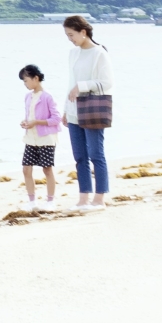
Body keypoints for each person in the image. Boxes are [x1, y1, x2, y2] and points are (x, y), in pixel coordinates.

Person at [62, 14, 113, 208]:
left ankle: (99, 198)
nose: (70, 39)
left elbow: (108, 83)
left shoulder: (99, 53)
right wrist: (65, 110)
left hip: (92, 110)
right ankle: (84, 197)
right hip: (74, 111)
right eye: (67, 36)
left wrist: (82, 86)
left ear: (83, 32)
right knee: (80, 157)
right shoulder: (73, 53)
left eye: (71, 34)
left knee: (96, 154)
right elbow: (69, 84)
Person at [17, 64, 60, 209]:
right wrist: (26, 122)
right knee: (26, 169)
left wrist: (36, 122)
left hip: (46, 138)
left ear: (36, 78)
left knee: (47, 169)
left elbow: (56, 119)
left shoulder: (48, 97)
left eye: (26, 80)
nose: (25, 84)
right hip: (31, 138)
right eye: (23, 81)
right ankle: (32, 202)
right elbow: (29, 116)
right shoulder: (27, 97)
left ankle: (50, 202)